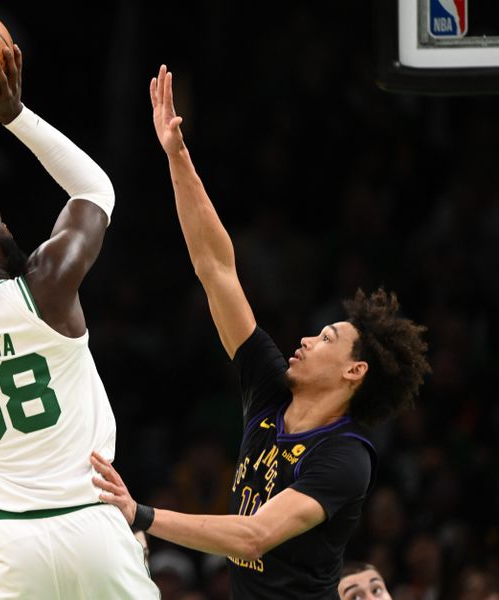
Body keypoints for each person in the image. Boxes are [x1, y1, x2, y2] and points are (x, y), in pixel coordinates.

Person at [91, 64, 431, 598]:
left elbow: (253, 537)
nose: (306, 339)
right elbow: (216, 268)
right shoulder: (271, 387)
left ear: (354, 370)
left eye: (326, 339)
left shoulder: (345, 457)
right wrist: (177, 156)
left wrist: (143, 513)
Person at [0, 12, 159, 599]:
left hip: (12, 542)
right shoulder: (44, 292)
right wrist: (11, 113)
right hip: (91, 523)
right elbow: (94, 191)